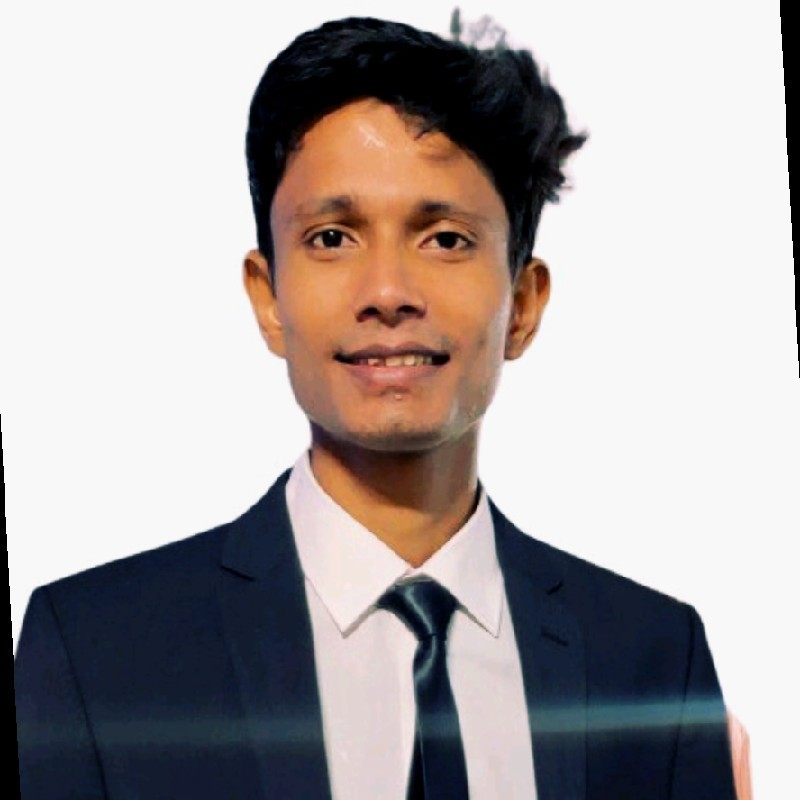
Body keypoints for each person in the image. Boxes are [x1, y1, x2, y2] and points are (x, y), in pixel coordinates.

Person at [13, 16, 738, 799]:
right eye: (332, 237)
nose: (388, 292)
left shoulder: (655, 663)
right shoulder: (95, 657)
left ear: (524, 304)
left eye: (445, 239)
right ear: (268, 298)